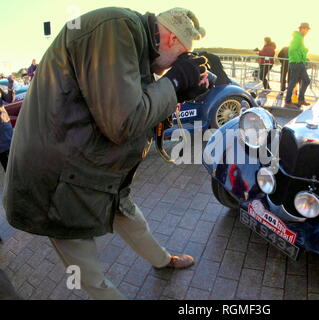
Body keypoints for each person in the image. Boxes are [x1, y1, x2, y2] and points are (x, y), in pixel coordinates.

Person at [3, 7, 209, 300]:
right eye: (183, 56)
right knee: (85, 266)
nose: (175, 66)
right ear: (172, 38)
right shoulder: (115, 29)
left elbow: (137, 106)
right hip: (59, 178)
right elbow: (123, 122)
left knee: (132, 218)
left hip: (97, 170)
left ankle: (163, 260)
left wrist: (179, 91)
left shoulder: (135, 45)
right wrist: (173, 82)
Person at [285, 22, 311, 109]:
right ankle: (288, 102)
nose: (306, 31)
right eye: (305, 29)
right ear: (301, 29)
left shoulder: (300, 38)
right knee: (294, 82)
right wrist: (298, 59)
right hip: (297, 63)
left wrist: (303, 57)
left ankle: (300, 99)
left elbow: (298, 50)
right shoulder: (298, 38)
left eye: (307, 30)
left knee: (306, 80)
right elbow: (292, 50)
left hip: (298, 62)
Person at [0, 76, 15, 171]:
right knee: (5, 161)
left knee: (14, 156)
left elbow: (9, 99)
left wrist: (10, 87)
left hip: (6, 126)